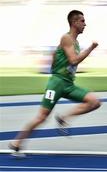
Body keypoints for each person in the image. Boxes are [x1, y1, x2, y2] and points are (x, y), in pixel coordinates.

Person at [9, 10, 101, 156]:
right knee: (42, 117)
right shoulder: (66, 38)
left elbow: (56, 56)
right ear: (74, 22)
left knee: (94, 102)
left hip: (69, 84)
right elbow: (74, 60)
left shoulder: (75, 42)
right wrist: (91, 48)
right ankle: (17, 143)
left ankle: (63, 118)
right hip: (57, 84)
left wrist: (58, 64)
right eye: (82, 21)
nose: (85, 24)